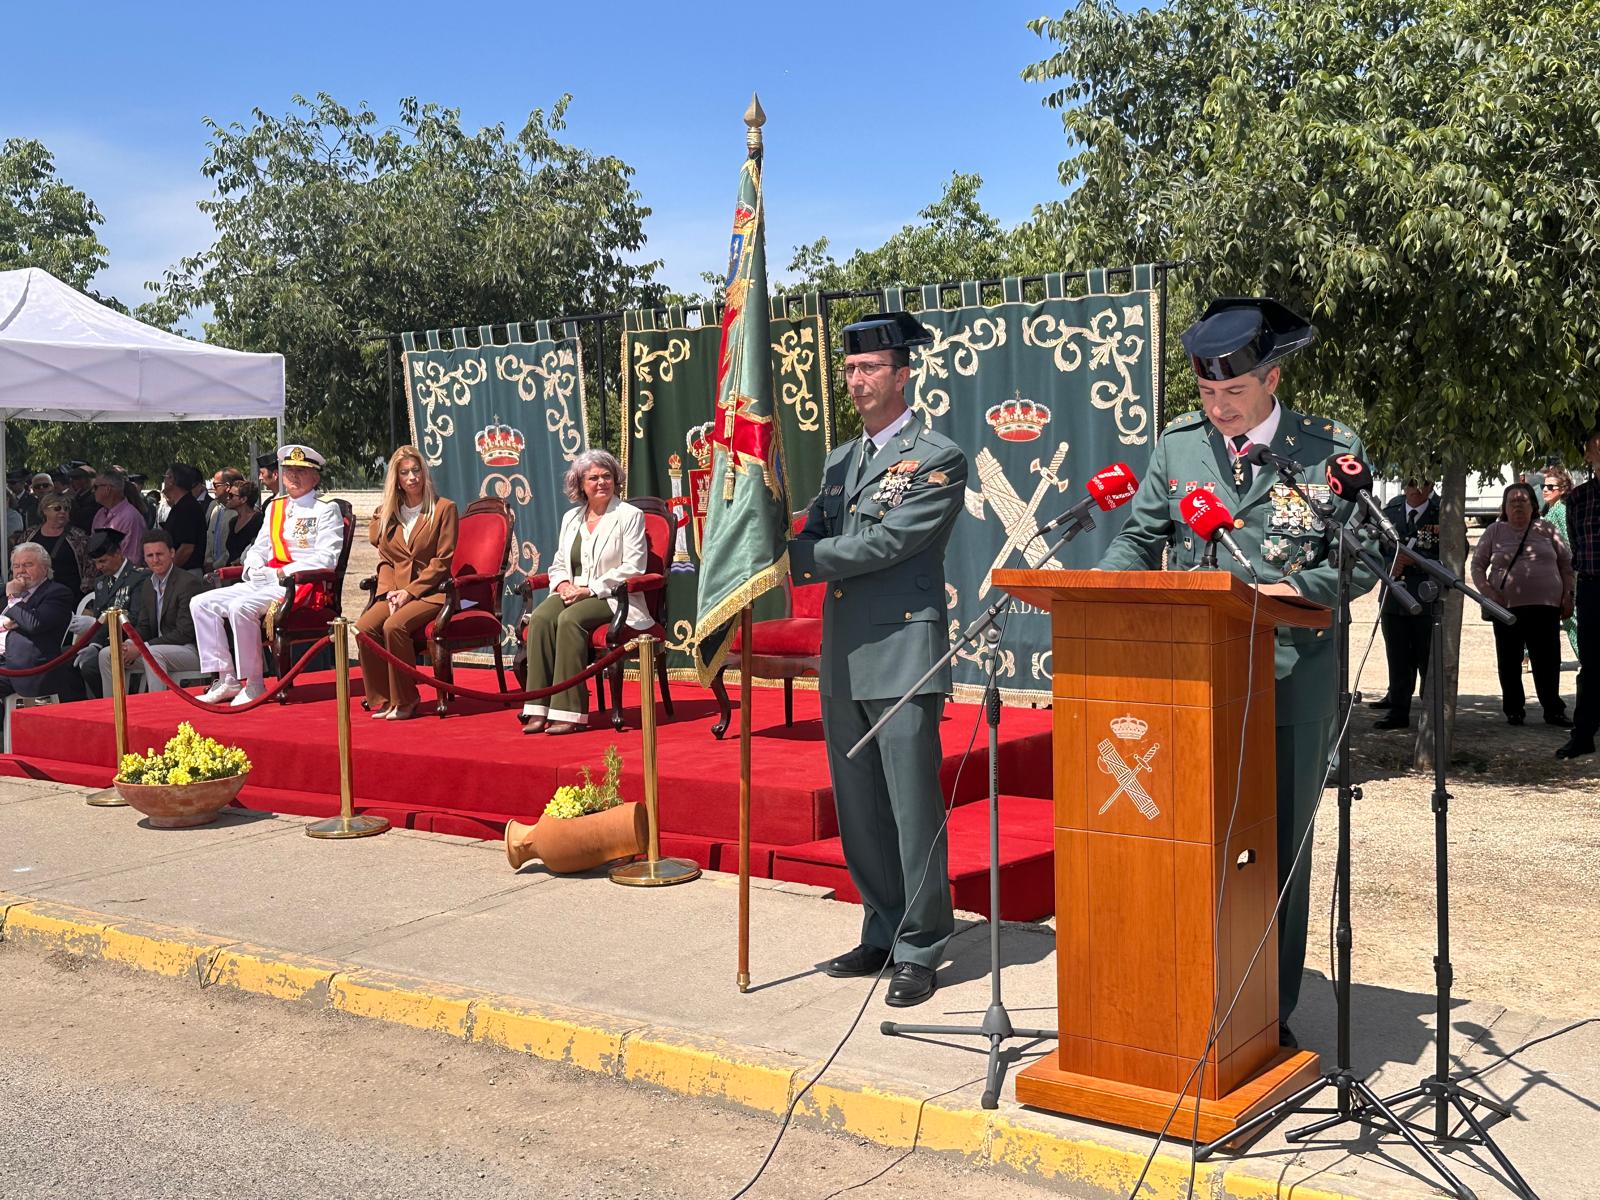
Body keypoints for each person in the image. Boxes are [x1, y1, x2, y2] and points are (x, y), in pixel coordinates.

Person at [1098, 296, 1374, 1047]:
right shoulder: (1178, 448)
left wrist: (1290, 591)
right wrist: (1107, 594)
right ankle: (1192, 990)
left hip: (1291, 679)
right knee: (1194, 844)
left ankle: (1267, 1012)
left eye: (1235, 393)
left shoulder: (1328, 450)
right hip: (1197, 685)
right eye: (1208, 393)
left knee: (1276, 851)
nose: (1219, 407)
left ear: (1272, 380)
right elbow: (1141, 534)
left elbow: (1363, 559)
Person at [788, 311, 967, 1009]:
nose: (856, 381)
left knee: (911, 805)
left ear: (902, 374)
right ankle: (883, 928)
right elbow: (817, 527)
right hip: (846, 655)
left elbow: (886, 545)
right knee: (859, 806)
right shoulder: (842, 460)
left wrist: (792, 560)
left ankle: (922, 945)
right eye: (851, 370)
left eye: (869, 369)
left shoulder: (937, 457)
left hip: (901, 650)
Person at [190, 444, 343, 705]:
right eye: (289, 470)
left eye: (301, 471)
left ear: (315, 477)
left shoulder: (325, 510)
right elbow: (260, 546)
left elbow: (326, 559)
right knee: (201, 603)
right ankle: (226, 678)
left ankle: (254, 683)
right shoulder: (276, 508)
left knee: (240, 607)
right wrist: (253, 566)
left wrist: (281, 573)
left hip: (298, 586)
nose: (293, 476)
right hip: (265, 581)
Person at [521, 449, 650, 735]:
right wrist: (563, 584)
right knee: (541, 618)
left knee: (570, 621)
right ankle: (538, 709)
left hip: (615, 597)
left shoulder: (630, 515)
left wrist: (588, 589)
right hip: (572, 590)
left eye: (607, 476)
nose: (601, 482)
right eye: (593, 477)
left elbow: (634, 567)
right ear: (580, 484)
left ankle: (569, 712)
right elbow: (557, 563)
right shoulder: (571, 519)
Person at [357, 446, 459, 721]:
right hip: (396, 591)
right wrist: (390, 592)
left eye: (416, 471)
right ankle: (384, 698)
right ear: (397, 479)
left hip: (432, 592)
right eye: (405, 473)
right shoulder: (390, 512)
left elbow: (442, 561)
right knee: (364, 629)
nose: (412, 477)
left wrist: (409, 592)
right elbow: (385, 557)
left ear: (424, 474)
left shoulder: (444, 509)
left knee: (394, 626)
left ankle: (407, 700)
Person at [1473, 482, 1574, 728]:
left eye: (1523, 501)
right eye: (1512, 501)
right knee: (1509, 662)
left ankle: (1553, 710)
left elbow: (1566, 564)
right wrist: (1488, 593)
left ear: (1533, 505)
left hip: (1545, 607)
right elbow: (1477, 566)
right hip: (1505, 608)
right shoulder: (1494, 531)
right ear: (1505, 507)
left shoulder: (1547, 529)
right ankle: (1514, 710)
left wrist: (1568, 595)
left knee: (1547, 661)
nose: (1518, 505)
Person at [1369, 479, 1441, 730]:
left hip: (1425, 598)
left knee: (1426, 657)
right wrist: (1391, 563)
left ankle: (1430, 713)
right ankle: (1398, 711)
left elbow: (1454, 552)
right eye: (1410, 483)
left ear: (1431, 487)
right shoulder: (1390, 513)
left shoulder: (1441, 513)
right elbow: (1373, 549)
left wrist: (1417, 561)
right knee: (1397, 657)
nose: (1415, 489)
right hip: (1394, 598)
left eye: (1421, 484)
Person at [103, 530, 204, 697]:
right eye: (150, 555)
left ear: (172, 553)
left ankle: (157, 708)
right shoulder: (148, 585)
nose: (155, 560)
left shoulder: (188, 583)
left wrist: (143, 647)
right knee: (107, 654)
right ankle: (112, 710)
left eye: (159, 554)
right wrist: (130, 643)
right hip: (158, 649)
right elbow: (144, 626)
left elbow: (184, 633)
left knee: (152, 654)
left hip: (190, 650)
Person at [1558, 425, 1600, 758]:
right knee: (1591, 665)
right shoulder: (1578, 497)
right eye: (1596, 448)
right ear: (1588, 455)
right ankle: (1583, 735)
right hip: (1591, 588)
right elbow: (1576, 546)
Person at [72, 528, 149, 700]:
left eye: (103, 561)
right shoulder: (101, 582)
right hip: (104, 641)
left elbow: (135, 618)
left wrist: (94, 624)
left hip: (127, 640)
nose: (99, 567)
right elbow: (101, 614)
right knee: (66, 658)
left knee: (90, 667)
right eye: (96, 563)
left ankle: (110, 705)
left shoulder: (138, 578)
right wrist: (95, 645)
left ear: (118, 554)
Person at [0, 542, 82, 701]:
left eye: (28, 565)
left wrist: (13, 598)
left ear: (45, 568)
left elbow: (34, 623)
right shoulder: (7, 592)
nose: (21, 571)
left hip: (26, 669)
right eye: (16, 566)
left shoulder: (57, 593)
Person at [1542, 464, 1580, 658]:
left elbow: (1568, 543)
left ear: (1563, 489)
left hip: (1564, 572)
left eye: (1551, 487)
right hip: (1554, 572)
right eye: (1544, 486)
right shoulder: (1551, 509)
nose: (1545, 490)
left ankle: (1586, 657)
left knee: (1571, 618)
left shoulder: (1560, 511)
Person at [21, 494, 91, 596]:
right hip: (33, 595)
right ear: (44, 510)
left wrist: (85, 593)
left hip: (69, 595)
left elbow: (90, 567)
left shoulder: (78, 536)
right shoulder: (29, 535)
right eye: (57, 508)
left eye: (66, 509)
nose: (62, 511)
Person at [90, 470, 148, 569]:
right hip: (101, 577)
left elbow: (133, 560)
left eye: (95, 487)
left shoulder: (131, 517)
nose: (92, 491)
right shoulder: (100, 514)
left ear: (108, 489)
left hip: (123, 580)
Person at [159, 463, 207, 573]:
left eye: (166, 478)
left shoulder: (187, 508)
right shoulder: (180, 506)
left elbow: (186, 548)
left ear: (172, 480)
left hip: (185, 574)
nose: (164, 482)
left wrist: (166, 571)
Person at [204, 468, 243, 572]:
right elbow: (208, 536)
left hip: (229, 571)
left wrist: (216, 565)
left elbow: (233, 547)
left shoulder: (239, 512)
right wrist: (208, 560)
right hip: (211, 570)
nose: (213, 489)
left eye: (216, 485)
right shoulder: (215, 508)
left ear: (227, 487)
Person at [222, 479, 264, 565]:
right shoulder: (233, 522)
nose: (227, 498)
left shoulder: (259, 520)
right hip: (230, 573)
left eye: (231, 495)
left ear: (243, 499)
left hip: (248, 571)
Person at [65, 463, 99, 533]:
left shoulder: (95, 498)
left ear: (91, 479)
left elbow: (80, 517)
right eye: (73, 478)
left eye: (78, 478)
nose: (74, 481)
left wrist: (72, 500)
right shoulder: (78, 495)